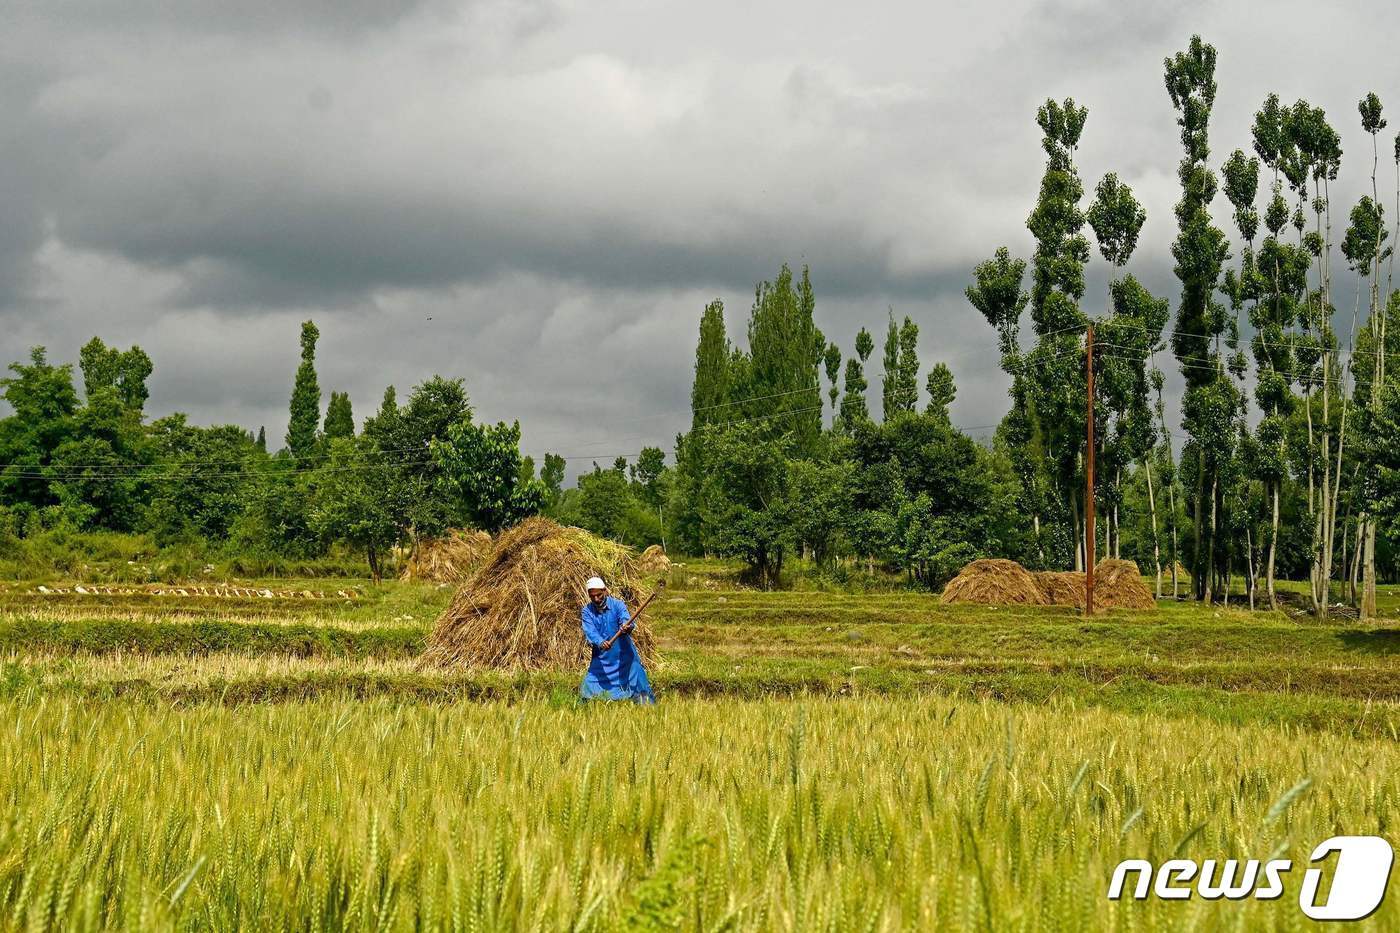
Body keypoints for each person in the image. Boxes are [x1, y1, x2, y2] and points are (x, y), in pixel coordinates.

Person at [579, 576, 655, 704]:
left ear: (605, 591)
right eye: (592, 596)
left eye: (599, 595)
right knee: (589, 685)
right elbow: (590, 631)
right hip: (602, 660)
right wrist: (600, 642)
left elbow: (625, 618)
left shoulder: (618, 605)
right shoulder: (587, 611)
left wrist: (626, 626)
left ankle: (648, 710)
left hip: (624, 656)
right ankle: (584, 711)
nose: (596, 599)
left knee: (638, 681)